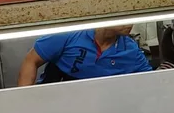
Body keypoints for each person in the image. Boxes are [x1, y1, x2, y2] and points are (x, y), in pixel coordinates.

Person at [16, 25, 153, 85]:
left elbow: (151, 82)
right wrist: (23, 102)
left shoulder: (131, 51)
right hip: (57, 100)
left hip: (102, 110)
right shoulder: (69, 34)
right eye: (125, 17)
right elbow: (31, 60)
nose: (130, 24)